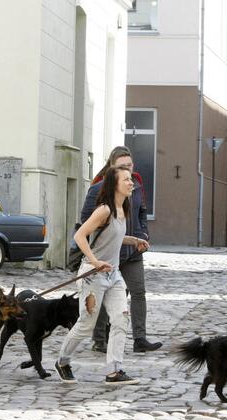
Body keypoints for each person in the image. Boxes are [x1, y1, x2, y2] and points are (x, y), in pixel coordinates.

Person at [55, 165, 150, 385]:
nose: (131, 183)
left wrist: (133, 240)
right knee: (87, 324)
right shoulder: (104, 210)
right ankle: (62, 361)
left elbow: (113, 236)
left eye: (131, 180)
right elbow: (80, 236)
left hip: (114, 275)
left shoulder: (122, 208)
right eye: (126, 180)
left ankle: (114, 370)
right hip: (93, 275)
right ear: (114, 184)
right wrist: (95, 261)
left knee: (121, 319)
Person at [80, 146, 162, 353]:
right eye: (122, 166)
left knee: (138, 291)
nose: (128, 170)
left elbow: (142, 213)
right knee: (102, 294)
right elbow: (85, 221)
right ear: (111, 167)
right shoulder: (97, 189)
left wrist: (142, 235)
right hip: (107, 253)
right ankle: (99, 340)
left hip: (132, 253)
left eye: (130, 165)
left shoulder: (134, 186)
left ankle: (140, 339)